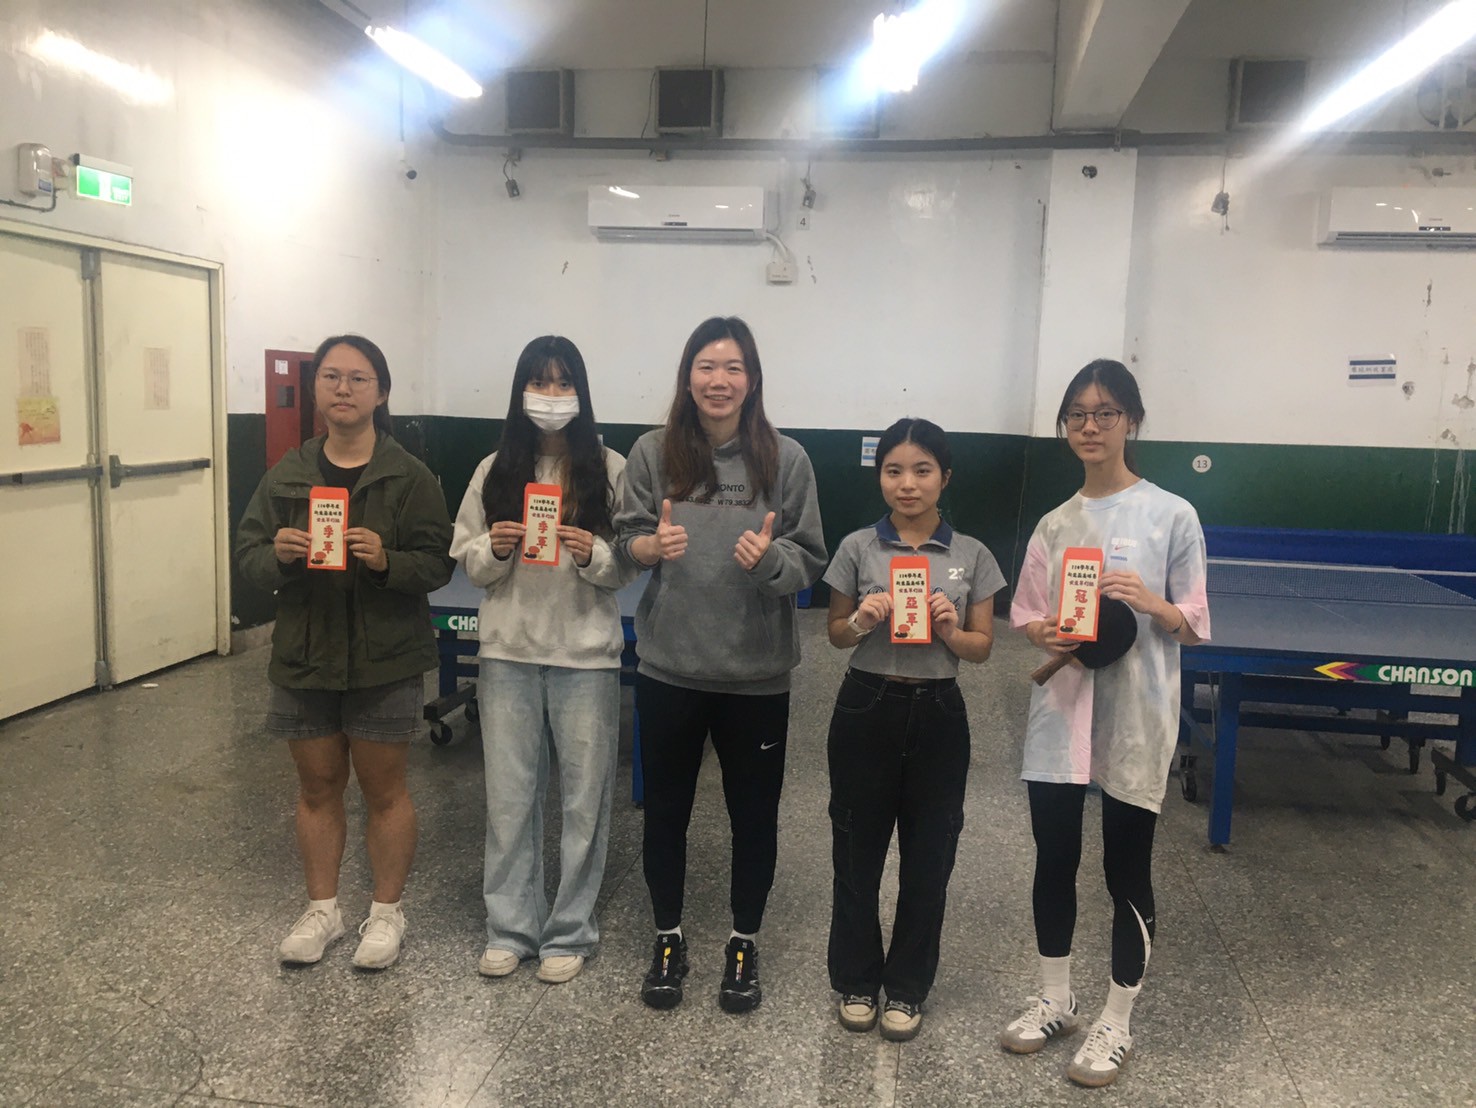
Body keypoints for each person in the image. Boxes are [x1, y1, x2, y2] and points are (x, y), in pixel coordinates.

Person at [1000, 358, 1210, 1088]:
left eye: (1106, 413)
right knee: (1053, 859)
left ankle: (1117, 1019)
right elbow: (1027, 616)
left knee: (1126, 871)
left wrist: (1152, 603)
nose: (1090, 426)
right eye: (1078, 415)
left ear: (1132, 421)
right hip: (1061, 716)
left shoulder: (1172, 515)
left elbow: (1194, 624)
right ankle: (1056, 999)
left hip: (1136, 720)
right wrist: (1044, 631)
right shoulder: (1055, 524)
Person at [616, 315, 827, 1013]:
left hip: (756, 678)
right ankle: (668, 938)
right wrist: (647, 548)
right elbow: (623, 543)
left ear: (752, 379)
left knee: (754, 818)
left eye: (733, 367)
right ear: (687, 377)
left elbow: (809, 560)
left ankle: (744, 941)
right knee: (665, 813)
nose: (719, 379)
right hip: (669, 668)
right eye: (706, 366)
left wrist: (770, 561)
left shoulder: (787, 459)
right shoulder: (651, 453)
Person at [236, 334, 455, 970]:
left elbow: (437, 563)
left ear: (381, 393)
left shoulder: (409, 476)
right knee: (317, 788)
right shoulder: (288, 474)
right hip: (305, 654)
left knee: (385, 790)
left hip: (386, 657)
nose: (343, 389)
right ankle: (322, 910)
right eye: (331, 376)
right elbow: (248, 555)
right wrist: (276, 555)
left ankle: (386, 913)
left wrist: (388, 561)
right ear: (315, 389)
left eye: (359, 378)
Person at [450, 335, 636, 985]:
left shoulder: (609, 468)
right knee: (509, 801)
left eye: (563, 383)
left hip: (586, 655)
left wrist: (593, 554)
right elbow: (468, 559)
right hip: (508, 652)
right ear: (521, 390)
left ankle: (570, 930)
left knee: (584, 804)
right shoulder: (494, 469)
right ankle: (510, 928)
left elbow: (627, 565)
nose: (551, 395)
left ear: (581, 392)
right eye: (540, 381)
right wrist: (495, 548)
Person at [823, 418, 1004, 1042]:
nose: (907, 484)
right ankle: (855, 978)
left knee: (930, 858)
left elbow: (982, 648)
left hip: (939, 711)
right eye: (894, 470)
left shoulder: (972, 554)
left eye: (922, 470)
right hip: (865, 705)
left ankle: (906, 986)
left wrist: (952, 630)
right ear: (880, 477)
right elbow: (835, 635)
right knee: (857, 850)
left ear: (944, 477)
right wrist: (862, 620)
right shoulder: (857, 547)